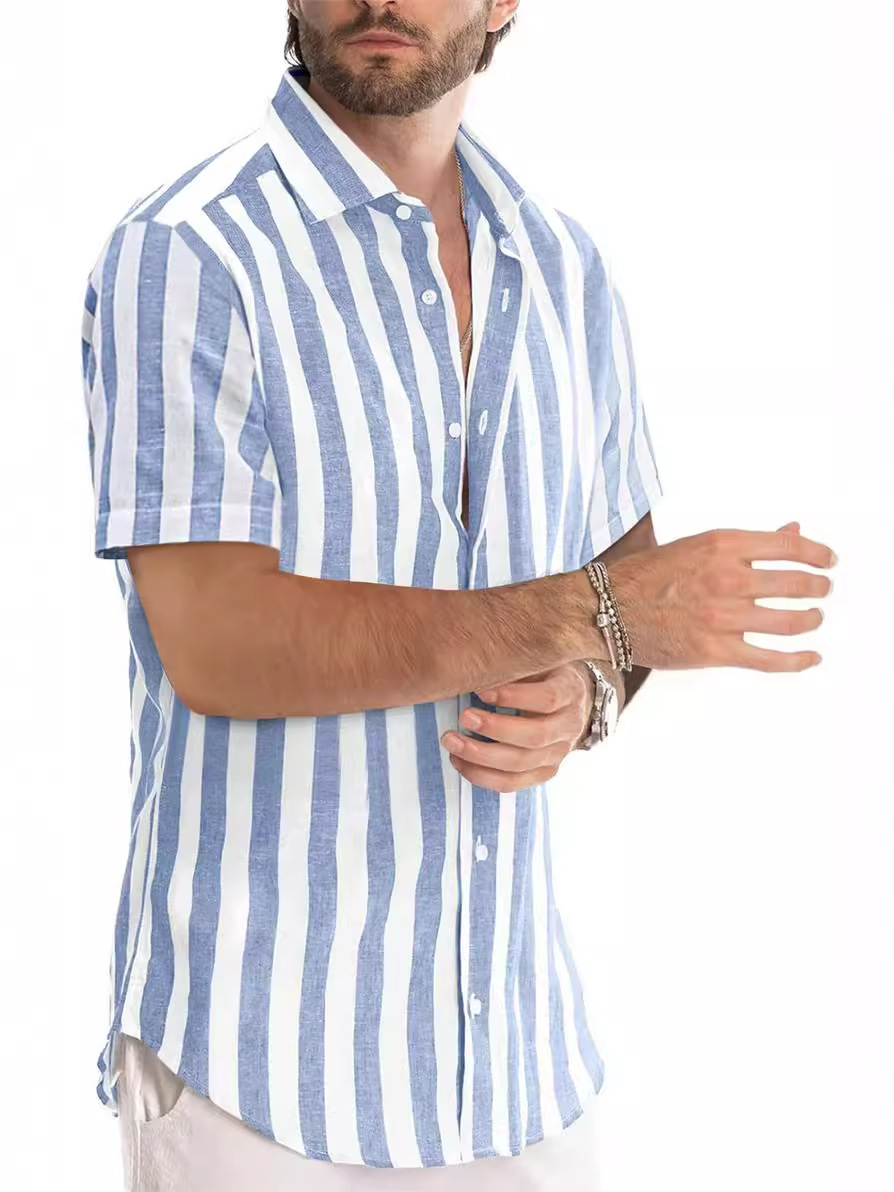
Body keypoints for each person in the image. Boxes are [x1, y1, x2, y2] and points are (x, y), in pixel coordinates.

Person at [79, 2, 837, 1188]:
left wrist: (586, 695)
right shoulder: (188, 254)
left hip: (517, 1062)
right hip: (255, 1060)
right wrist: (585, 612)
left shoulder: (564, 266)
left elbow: (619, 603)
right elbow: (220, 644)